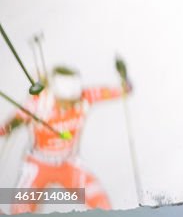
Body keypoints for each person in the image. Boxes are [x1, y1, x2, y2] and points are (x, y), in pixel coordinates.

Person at [0, 65, 129, 213]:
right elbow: (13, 122)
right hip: (38, 165)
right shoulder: (39, 103)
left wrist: (125, 79)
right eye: (62, 100)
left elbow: (121, 91)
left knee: (102, 204)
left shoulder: (84, 98)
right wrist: (9, 127)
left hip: (68, 164)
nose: (67, 105)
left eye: (72, 100)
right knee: (20, 211)